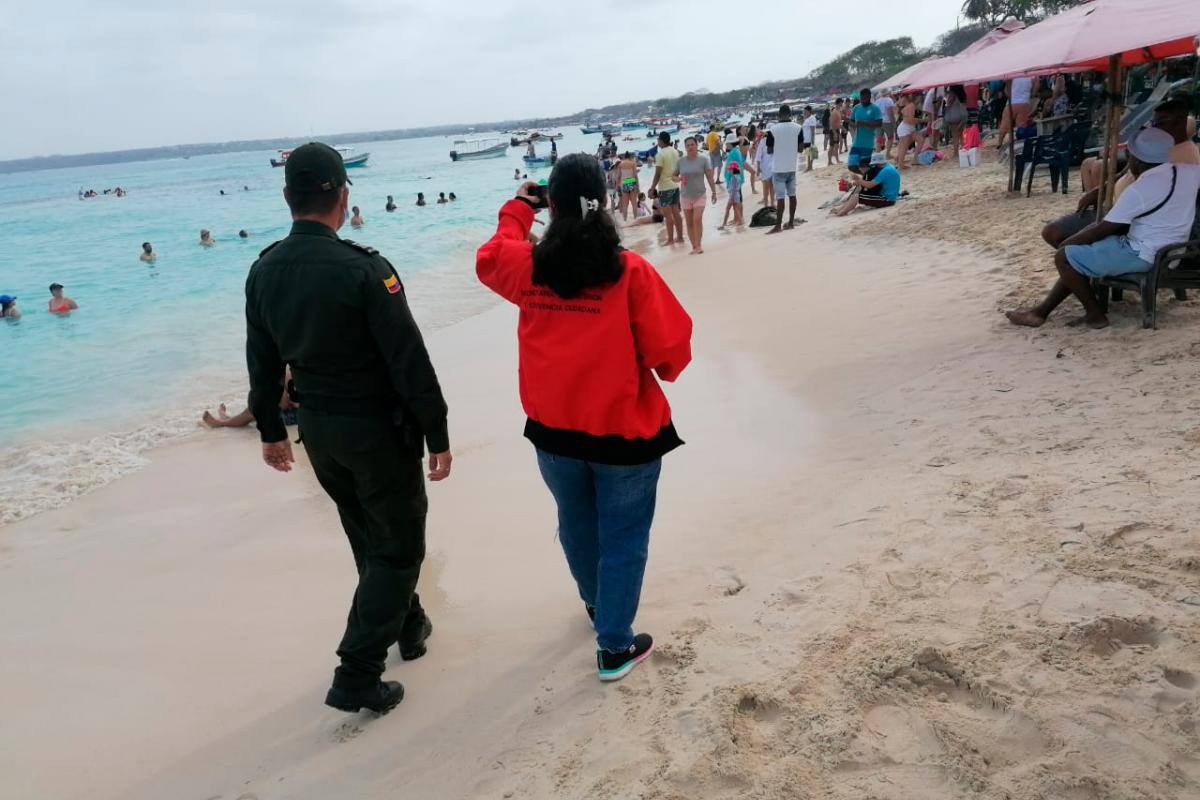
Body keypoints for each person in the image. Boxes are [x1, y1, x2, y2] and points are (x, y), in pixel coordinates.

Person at [244, 142, 452, 714]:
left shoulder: (263, 269)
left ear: (289, 198)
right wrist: (437, 430)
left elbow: (261, 363)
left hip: (320, 434)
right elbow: (408, 359)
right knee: (400, 545)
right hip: (377, 432)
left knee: (368, 535)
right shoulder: (366, 269)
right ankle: (357, 671)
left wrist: (270, 430)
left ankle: (408, 626)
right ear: (341, 195)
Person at [475, 154, 692, 683]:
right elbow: (673, 354)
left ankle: (599, 607)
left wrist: (519, 210)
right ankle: (613, 644)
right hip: (623, 434)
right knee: (622, 535)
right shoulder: (629, 272)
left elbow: (490, 256)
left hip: (554, 432)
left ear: (553, 205)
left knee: (576, 522)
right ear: (605, 201)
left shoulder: (528, 267)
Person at [1007, 128, 1200, 330]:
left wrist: (1066, 245)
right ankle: (1040, 312)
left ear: (1135, 158)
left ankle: (1095, 314)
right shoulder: (1188, 172)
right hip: (1174, 250)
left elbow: (1103, 228)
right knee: (1077, 255)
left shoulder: (1141, 189)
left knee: (1065, 257)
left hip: (1144, 253)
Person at [1047, 98, 1200, 247]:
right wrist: (1101, 189)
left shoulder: (1184, 156)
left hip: (1131, 219)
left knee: (1057, 236)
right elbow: (1126, 173)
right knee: (1053, 233)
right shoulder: (1157, 146)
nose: (1154, 128)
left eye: (1160, 123)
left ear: (1180, 122)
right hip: (1117, 208)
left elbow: (1158, 193)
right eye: (1153, 123)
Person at [674, 136, 718, 255]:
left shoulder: (704, 160)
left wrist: (714, 192)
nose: (690, 147)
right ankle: (694, 246)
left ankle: (699, 245)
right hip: (685, 196)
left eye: (692, 144)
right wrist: (678, 179)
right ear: (685, 147)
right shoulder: (680, 161)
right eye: (687, 145)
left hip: (700, 194)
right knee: (689, 223)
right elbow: (673, 176)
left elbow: (709, 177)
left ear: (696, 145)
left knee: (697, 219)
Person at [765, 104, 803, 234]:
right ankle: (791, 223)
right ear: (790, 114)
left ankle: (778, 226)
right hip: (792, 166)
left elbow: (769, 150)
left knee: (780, 198)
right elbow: (800, 149)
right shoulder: (798, 128)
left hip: (779, 168)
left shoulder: (773, 129)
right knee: (792, 195)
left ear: (778, 115)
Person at [830, 153, 901, 216]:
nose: (873, 166)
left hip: (887, 199)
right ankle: (840, 209)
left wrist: (859, 181)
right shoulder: (889, 167)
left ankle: (843, 212)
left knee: (857, 196)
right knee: (856, 195)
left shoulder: (885, 171)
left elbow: (870, 185)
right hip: (890, 197)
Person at [647, 131, 683, 246]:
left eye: (658, 139)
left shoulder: (660, 154)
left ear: (661, 140)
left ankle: (671, 239)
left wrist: (652, 188)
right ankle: (680, 237)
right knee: (676, 213)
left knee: (668, 216)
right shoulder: (675, 151)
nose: (657, 141)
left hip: (665, 188)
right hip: (675, 186)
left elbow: (658, 174)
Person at [848, 88, 883, 174]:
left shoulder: (875, 108)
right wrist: (846, 120)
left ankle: (870, 179)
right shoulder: (856, 108)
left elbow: (879, 123)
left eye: (864, 99)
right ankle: (869, 178)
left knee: (864, 166)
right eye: (861, 98)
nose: (862, 101)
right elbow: (852, 123)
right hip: (856, 143)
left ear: (869, 97)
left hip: (868, 144)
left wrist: (863, 123)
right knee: (851, 166)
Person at [719, 133, 747, 229]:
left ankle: (739, 219)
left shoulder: (734, 152)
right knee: (738, 200)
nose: (726, 145)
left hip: (735, 180)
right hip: (736, 179)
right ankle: (737, 218)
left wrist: (730, 175)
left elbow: (735, 167)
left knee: (737, 201)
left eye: (727, 143)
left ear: (730, 143)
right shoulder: (735, 151)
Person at [895, 92, 925, 170]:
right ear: (916, 97)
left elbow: (911, 119)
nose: (921, 98)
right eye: (920, 97)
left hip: (908, 128)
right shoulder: (911, 105)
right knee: (904, 147)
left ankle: (913, 159)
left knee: (920, 140)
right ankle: (900, 165)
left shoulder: (912, 106)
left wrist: (923, 120)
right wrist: (922, 120)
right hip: (906, 128)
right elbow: (910, 120)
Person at [614, 151, 641, 221]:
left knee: (625, 205)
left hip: (624, 183)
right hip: (632, 181)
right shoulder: (632, 163)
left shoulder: (620, 165)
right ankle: (635, 219)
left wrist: (617, 186)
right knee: (634, 203)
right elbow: (635, 176)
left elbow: (618, 177)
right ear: (629, 157)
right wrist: (638, 187)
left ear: (624, 157)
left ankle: (625, 220)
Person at [877, 90, 897, 158]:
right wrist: (893, 122)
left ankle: (878, 154)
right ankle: (888, 154)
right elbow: (890, 113)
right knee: (890, 138)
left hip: (878, 121)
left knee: (879, 138)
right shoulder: (889, 100)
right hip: (887, 121)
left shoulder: (877, 101)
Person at [827, 100, 843, 166]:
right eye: (840, 104)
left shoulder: (838, 111)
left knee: (836, 145)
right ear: (837, 104)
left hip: (836, 130)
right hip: (833, 130)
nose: (841, 106)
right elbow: (831, 123)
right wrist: (834, 133)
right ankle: (829, 161)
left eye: (841, 105)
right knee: (832, 146)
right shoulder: (834, 112)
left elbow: (838, 122)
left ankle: (837, 160)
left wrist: (843, 128)